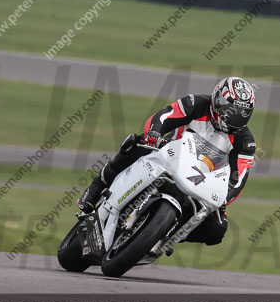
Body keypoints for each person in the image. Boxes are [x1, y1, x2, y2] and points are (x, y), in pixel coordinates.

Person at [77, 76, 256, 245]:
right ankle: (97, 186)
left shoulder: (245, 142)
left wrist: (223, 200)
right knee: (136, 143)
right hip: (169, 155)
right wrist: (154, 133)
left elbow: (237, 180)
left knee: (217, 229)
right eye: (231, 109)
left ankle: (162, 237)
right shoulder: (196, 103)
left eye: (243, 113)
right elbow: (164, 117)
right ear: (217, 100)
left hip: (201, 182)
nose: (235, 117)